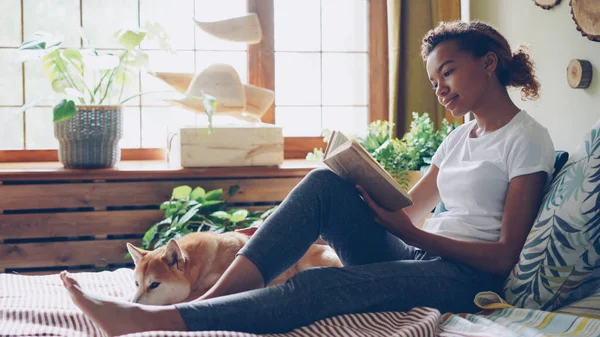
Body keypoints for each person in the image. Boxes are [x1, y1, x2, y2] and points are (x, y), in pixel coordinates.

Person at [60, 20, 556, 336]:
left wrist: (408, 232)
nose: (440, 89)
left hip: (466, 278)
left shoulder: (527, 139)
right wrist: (349, 202)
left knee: (320, 289)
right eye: (433, 80)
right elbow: (410, 212)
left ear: (488, 63)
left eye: (447, 73)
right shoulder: (459, 139)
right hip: (420, 253)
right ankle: (209, 303)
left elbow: (503, 255)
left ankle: (158, 320)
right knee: (325, 184)